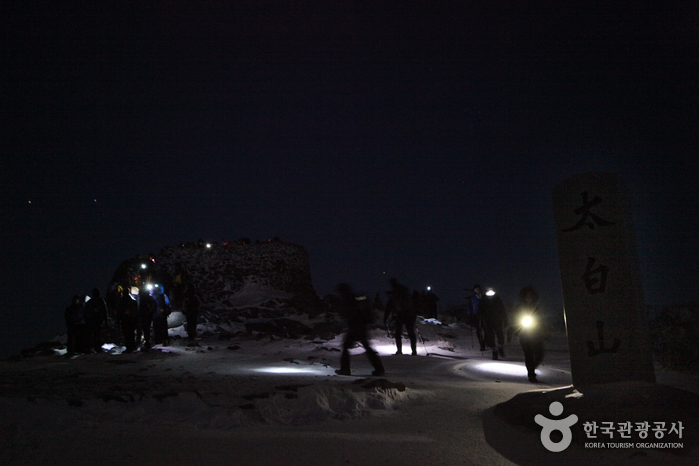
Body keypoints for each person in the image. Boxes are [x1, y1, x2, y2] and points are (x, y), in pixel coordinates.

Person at [335, 283, 384, 376]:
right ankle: (379, 369)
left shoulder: (349, 299)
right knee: (366, 347)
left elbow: (350, 314)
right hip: (361, 326)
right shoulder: (355, 298)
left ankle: (345, 369)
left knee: (346, 347)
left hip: (356, 327)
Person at [512, 286, 545, 382]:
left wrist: (543, 328)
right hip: (524, 334)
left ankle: (532, 367)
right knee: (529, 354)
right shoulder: (519, 307)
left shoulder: (536, 306)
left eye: (530, 295)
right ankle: (531, 374)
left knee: (539, 353)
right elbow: (515, 319)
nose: (529, 297)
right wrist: (515, 330)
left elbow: (541, 318)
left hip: (536, 333)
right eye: (527, 295)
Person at [384, 278, 417, 356]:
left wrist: (385, 318)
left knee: (398, 333)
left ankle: (399, 350)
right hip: (409, 314)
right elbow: (412, 304)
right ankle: (414, 351)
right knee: (411, 332)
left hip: (401, 314)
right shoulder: (404, 291)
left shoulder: (395, 294)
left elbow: (389, 306)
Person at [479, 286, 509, 360]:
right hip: (488, 321)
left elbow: (502, 309)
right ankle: (494, 351)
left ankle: (500, 347)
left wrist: (505, 319)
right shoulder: (483, 299)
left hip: (497, 320)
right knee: (491, 337)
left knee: (500, 336)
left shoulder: (497, 299)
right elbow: (480, 310)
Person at [83, 288, 108, 353]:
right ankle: (96, 348)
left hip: (93, 321)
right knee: (96, 335)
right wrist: (105, 321)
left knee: (92, 335)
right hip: (96, 321)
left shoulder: (90, 302)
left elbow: (85, 312)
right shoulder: (100, 301)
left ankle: (90, 348)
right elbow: (105, 312)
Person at [117, 288, 139, 352]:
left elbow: (119, 311)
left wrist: (118, 319)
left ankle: (129, 346)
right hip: (130, 319)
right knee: (130, 333)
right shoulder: (132, 300)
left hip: (126, 319)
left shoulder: (122, 301)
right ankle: (131, 346)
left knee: (127, 334)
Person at [467, 285, 486, 351]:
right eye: (475, 289)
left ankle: (487, 341)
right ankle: (482, 344)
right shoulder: (472, 298)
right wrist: (470, 314)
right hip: (476, 315)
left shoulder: (484, 296)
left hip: (484, 315)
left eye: (478, 289)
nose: (477, 290)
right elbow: (469, 306)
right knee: (478, 331)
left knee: (486, 329)